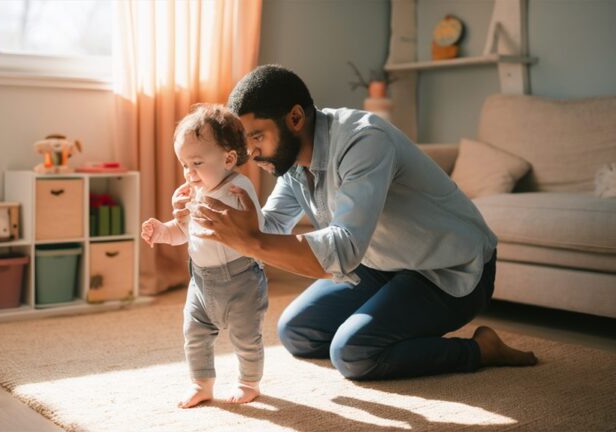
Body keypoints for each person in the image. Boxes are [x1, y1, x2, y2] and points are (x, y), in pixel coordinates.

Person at [180, 65, 538, 381]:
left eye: (257, 136)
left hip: (448, 268)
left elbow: (343, 247)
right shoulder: (289, 162)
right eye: (245, 141)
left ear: (295, 118)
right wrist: (210, 215)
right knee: (297, 332)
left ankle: (481, 350)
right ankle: (396, 320)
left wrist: (249, 241)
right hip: (381, 261)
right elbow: (270, 227)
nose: (251, 152)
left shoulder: (363, 140)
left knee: (353, 353)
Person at [141, 104, 268, 408]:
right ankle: (201, 383)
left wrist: (208, 203)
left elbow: (254, 227)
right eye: (184, 164)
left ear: (228, 159)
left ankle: (249, 382)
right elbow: (185, 232)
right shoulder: (194, 193)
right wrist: (163, 231)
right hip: (201, 281)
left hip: (241, 280)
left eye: (196, 162)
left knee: (246, 338)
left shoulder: (238, 188)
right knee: (194, 333)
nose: (189, 173)